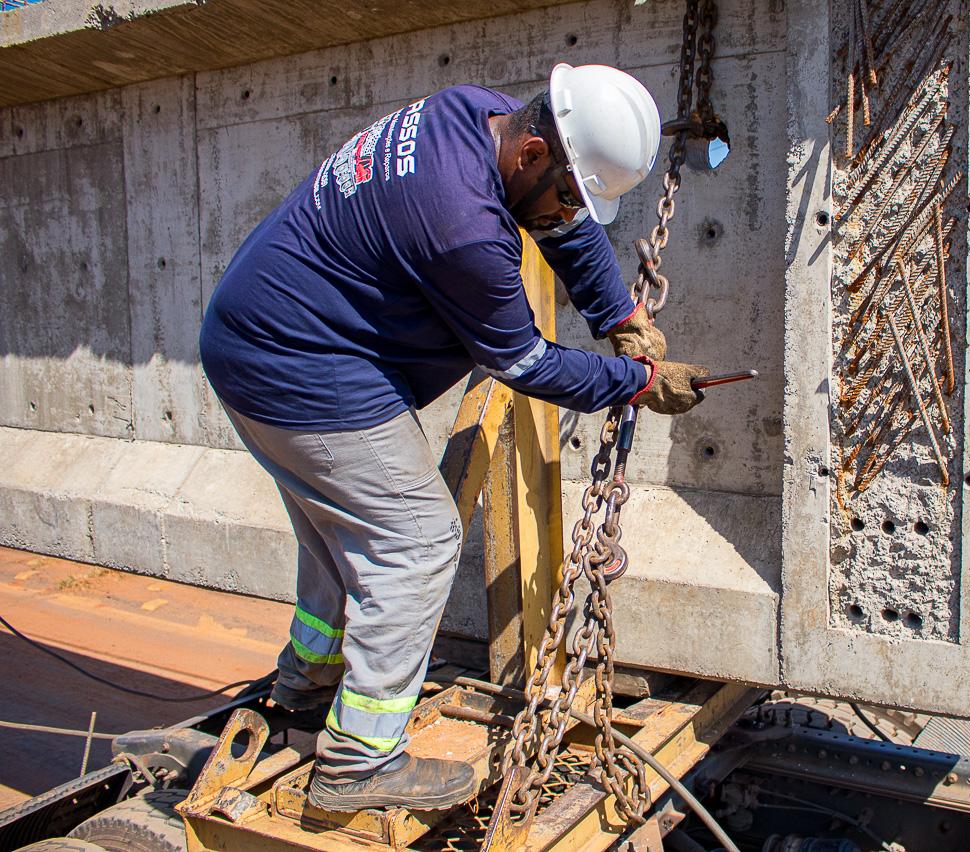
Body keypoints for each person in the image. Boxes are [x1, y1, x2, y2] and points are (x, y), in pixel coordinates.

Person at [198, 63, 708, 813]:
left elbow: (562, 228)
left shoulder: (480, 113)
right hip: (296, 366)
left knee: (345, 535)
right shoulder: (462, 227)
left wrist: (621, 319)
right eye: (569, 191)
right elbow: (524, 361)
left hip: (258, 333)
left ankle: (307, 687)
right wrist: (634, 383)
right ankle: (357, 766)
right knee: (417, 537)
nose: (569, 211)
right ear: (534, 154)